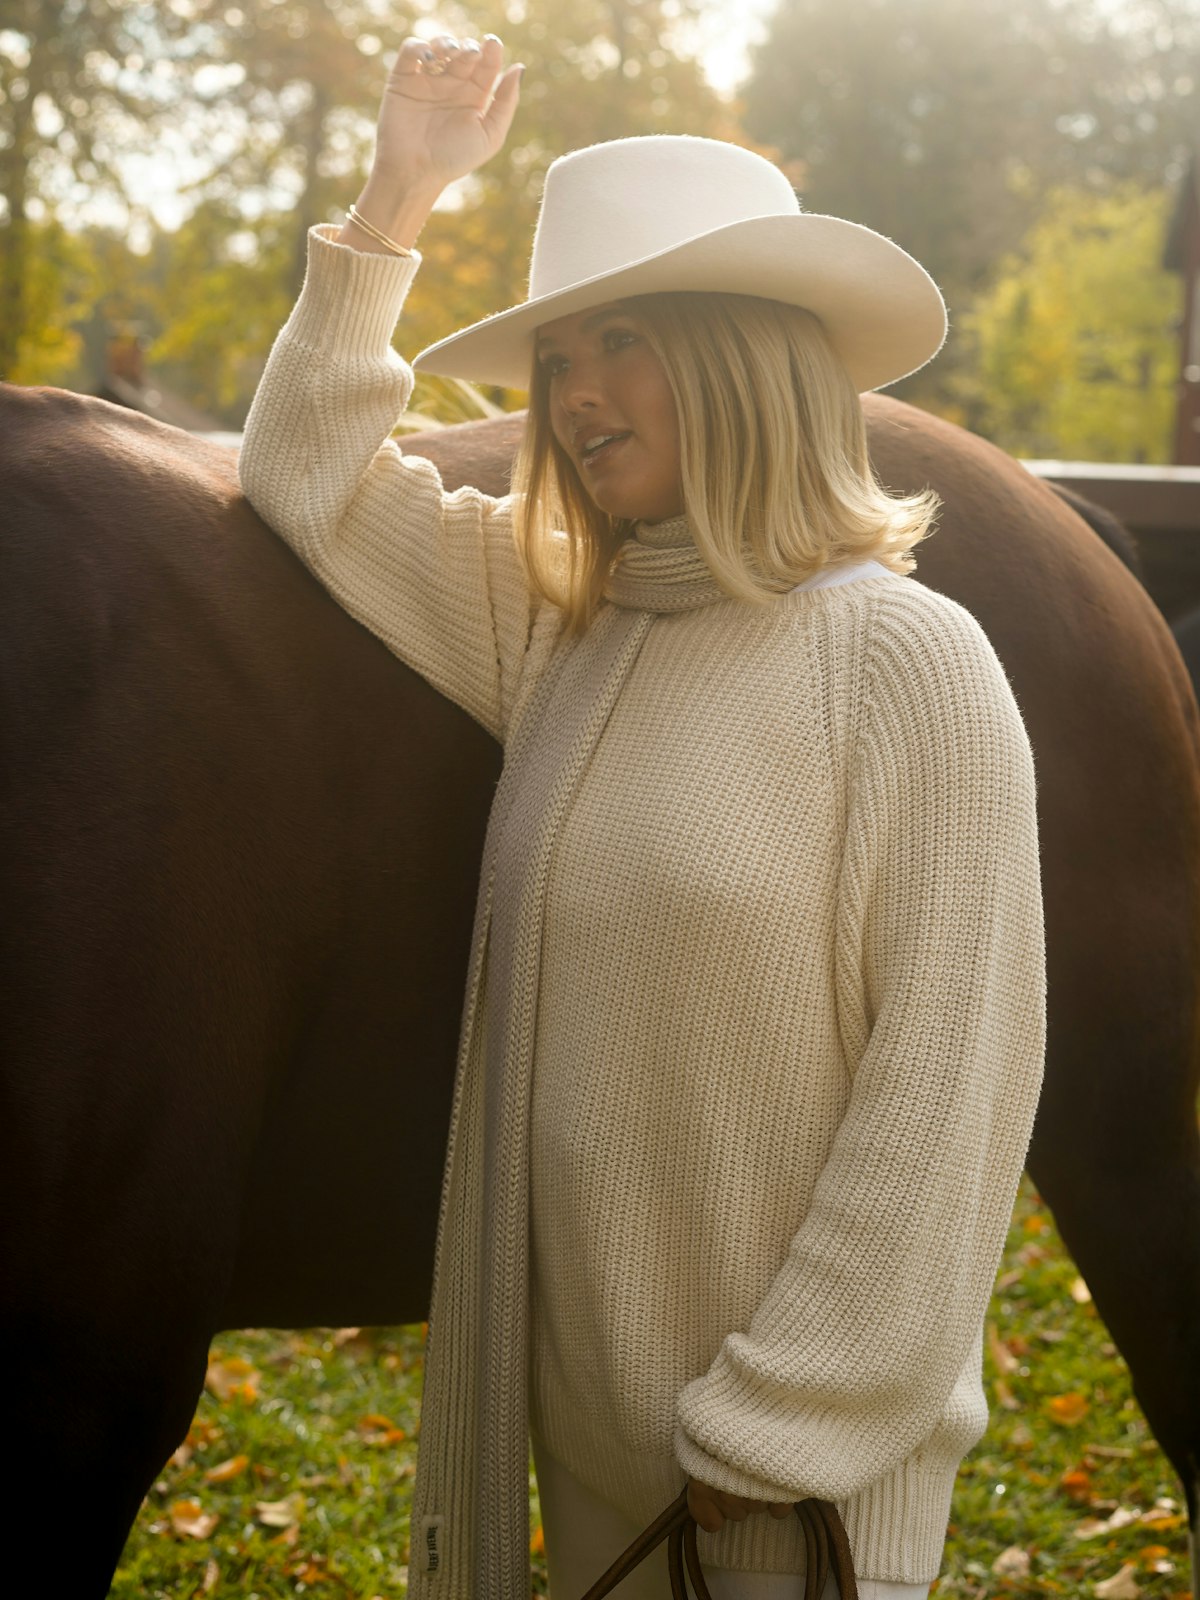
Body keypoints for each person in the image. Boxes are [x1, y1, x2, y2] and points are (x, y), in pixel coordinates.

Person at [238, 29, 1046, 1600]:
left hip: (789, 1500)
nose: (573, 393)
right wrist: (398, 192)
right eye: (556, 361)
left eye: (620, 341)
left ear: (745, 350)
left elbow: (953, 1094)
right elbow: (311, 466)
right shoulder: (564, 628)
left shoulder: (907, 662)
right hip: (603, 1470)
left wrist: (772, 1431)